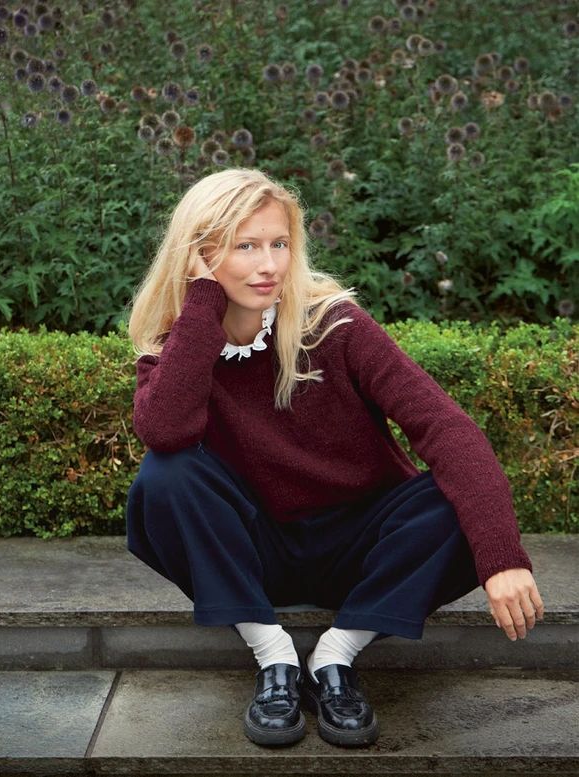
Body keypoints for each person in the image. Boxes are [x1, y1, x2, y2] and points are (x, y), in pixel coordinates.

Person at [124, 167, 544, 749]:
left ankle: (334, 657)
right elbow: (166, 432)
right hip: (255, 553)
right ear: (199, 253)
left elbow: (446, 428)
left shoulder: (334, 325)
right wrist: (201, 308)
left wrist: (502, 557)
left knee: (456, 498)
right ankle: (273, 656)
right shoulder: (179, 345)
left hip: (361, 548)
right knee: (166, 474)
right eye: (246, 246)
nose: (269, 265)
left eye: (279, 243)